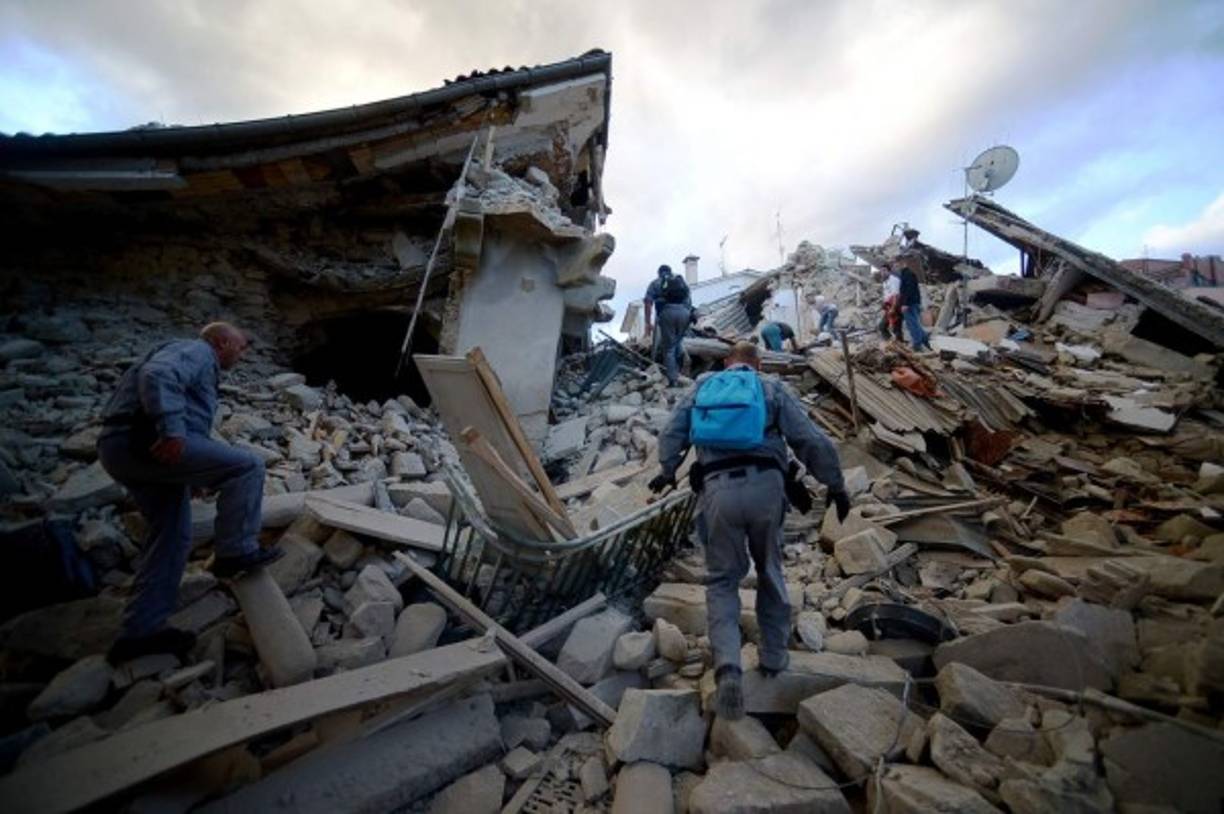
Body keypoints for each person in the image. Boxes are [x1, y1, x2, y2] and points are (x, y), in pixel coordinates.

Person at [649, 341, 849, 720]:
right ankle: (773, 658)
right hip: (766, 490)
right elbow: (810, 440)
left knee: (722, 580)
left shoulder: (703, 385)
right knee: (770, 571)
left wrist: (667, 469)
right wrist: (835, 485)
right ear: (757, 363)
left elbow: (672, 431)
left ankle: (727, 669)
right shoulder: (771, 387)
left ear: (727, 363)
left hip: (718, 492)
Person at [97, 322, 282, 662]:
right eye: (241, 347)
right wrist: (170, 430)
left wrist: (193, 474)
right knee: (249, 466)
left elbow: (192, 428)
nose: (243, 354)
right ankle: (235, 552)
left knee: (171, 536)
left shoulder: (201, 366)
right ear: (222, 342)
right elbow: (157, 374)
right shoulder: (197, 351)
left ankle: (140, 632)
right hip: (142, 442)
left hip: (123, 448)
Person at [643, 264, 692, 386]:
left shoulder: (655, 283)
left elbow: (648, 302)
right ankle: (683, 365)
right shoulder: (680, 282)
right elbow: (689, 300)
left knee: (669, 349)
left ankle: (673, 380)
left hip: (667, 314)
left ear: (659, 273)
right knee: (677, 342)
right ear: (671, 272)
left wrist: (648, 323)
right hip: (685, 314)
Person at [898, 264, 932, 350]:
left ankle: (917, 345)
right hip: (913, 302)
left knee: (912, 325)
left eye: (897, 264)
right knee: (916, 323)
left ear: (903, 264)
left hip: (909, 304)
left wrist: (905, 303)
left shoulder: (907, 274)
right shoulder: (907, 274)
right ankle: (925, 340)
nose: (895, 266)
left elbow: (909, 290)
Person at [879, 264, 903, 341]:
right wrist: (884, 304)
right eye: (881, 271)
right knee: (882, 326)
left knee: (896, 328)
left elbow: (896, 295)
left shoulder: (894, 280)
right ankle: (891, 343)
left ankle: (900, 346)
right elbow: (886, 295)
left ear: (889, 271)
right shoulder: (884, 282)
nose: (882, 273)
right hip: (888, 306)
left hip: (896, 306)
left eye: (884, 270)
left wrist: (893, 308)